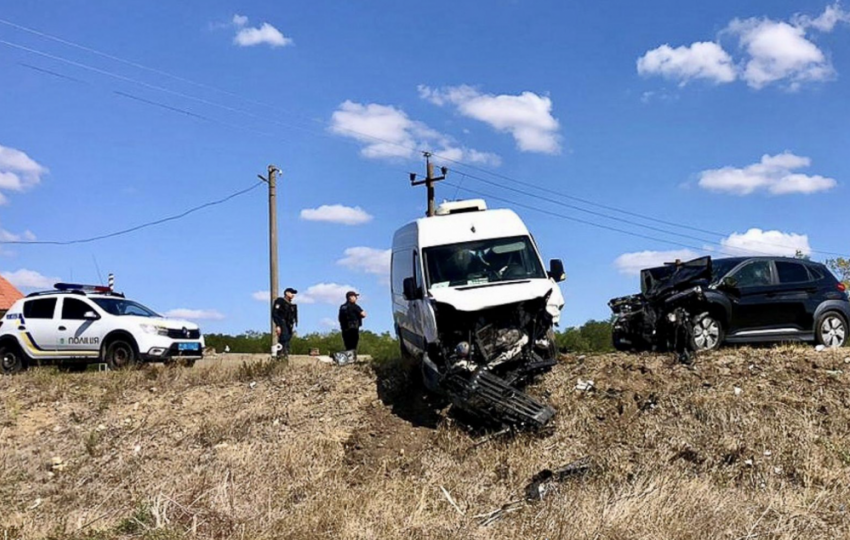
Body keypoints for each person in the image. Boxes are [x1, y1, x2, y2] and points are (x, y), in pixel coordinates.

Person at [272, 288, 298, 358]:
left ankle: (285, 355)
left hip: (289, 324)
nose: (293, 295)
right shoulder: (280, 301)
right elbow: (275, 313)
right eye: (291, 293)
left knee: (287, 340)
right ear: (287, 293)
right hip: (282, 322)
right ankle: (280, 355)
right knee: (283, 339)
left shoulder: (291, 305)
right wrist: (278, 325)